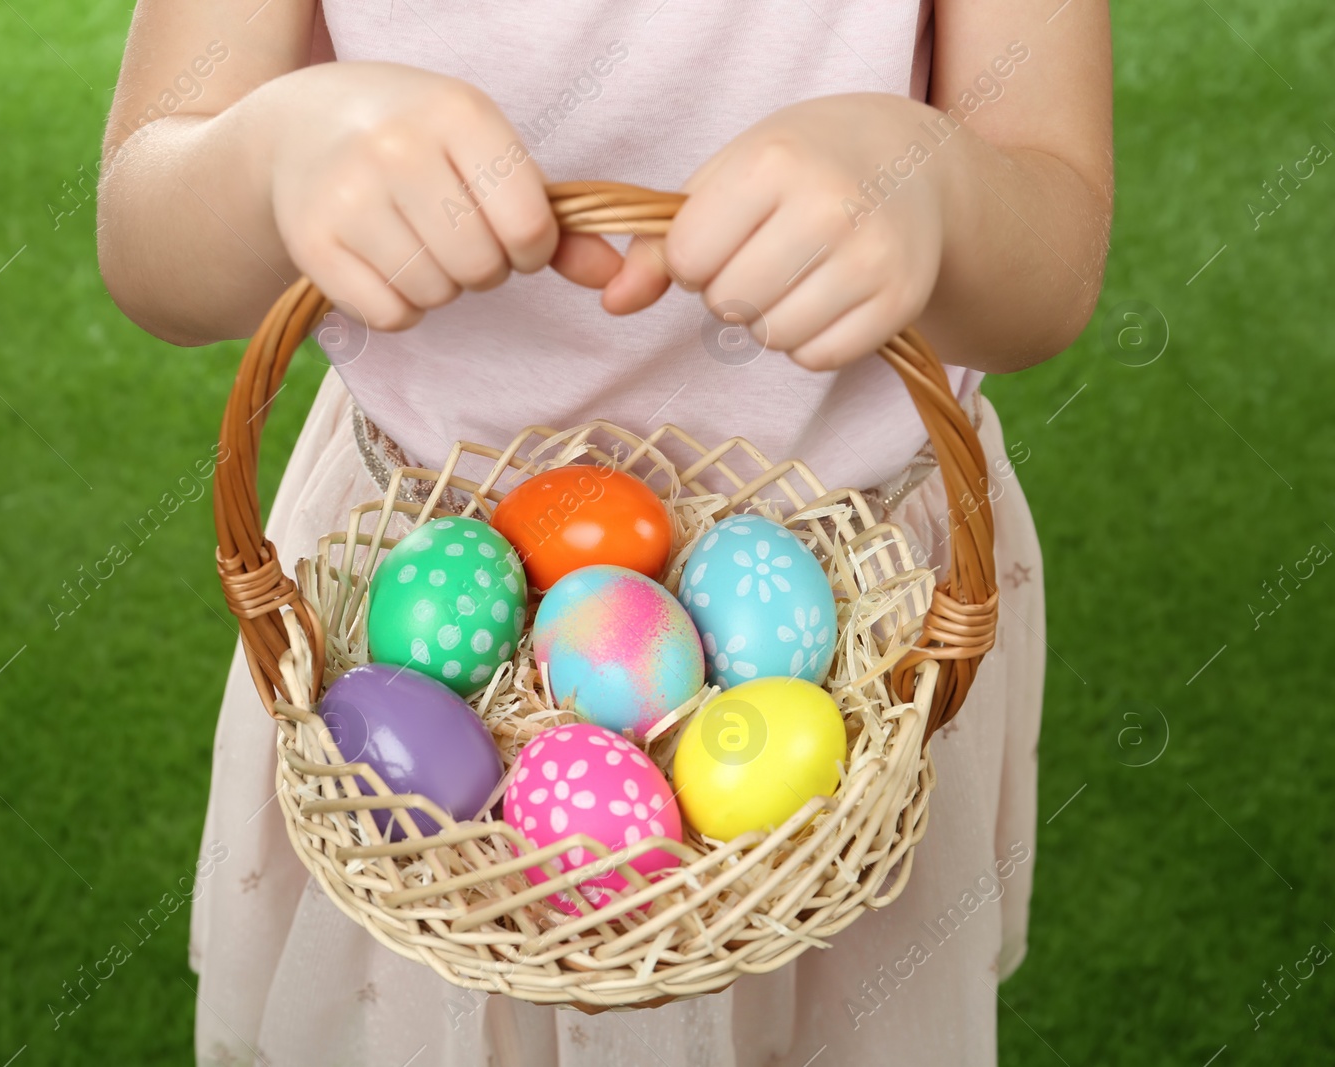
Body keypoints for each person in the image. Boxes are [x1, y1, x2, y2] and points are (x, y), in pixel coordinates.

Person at [98, 2, 1111, 1064]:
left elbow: (1051, 259)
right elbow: (146, 237)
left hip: (864, 619)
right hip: (407, 578)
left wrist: (938, 182)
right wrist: (270, 155)